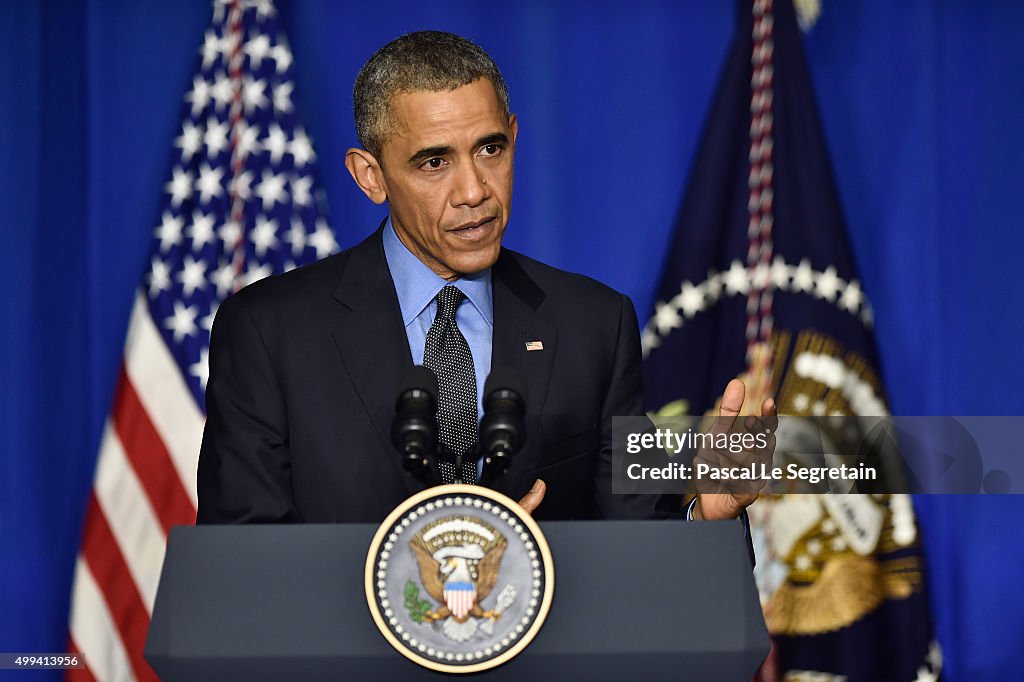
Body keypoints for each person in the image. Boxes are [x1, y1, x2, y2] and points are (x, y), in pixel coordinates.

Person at [196, 30, 774, 525]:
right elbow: (246, 568)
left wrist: (706, 514)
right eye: (434, 161)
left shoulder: (594, 325)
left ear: (515, 138)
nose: (475, 191)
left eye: (490, 148)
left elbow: (640, 539)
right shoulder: (269, 332)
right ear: (370, 176)